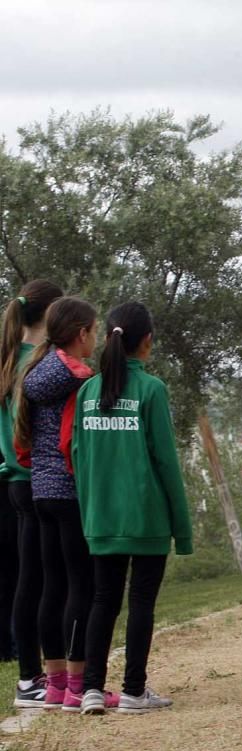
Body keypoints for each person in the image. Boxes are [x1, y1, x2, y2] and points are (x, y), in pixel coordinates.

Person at [72, 303, 192, 714]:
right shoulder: (152, 389)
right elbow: (166, 462)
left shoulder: (88, 391)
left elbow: (79, 457)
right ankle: (133, 691)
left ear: (109, 338)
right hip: (147, 518)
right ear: (147, 341)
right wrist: (183, 528)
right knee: (141, 602)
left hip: (102, 518)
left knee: (102, 600)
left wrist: (89, 514)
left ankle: (90, 689)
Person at [15, 296, 112, 713]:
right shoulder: (78, 375)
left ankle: (54, 683)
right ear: (81, 333)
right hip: (70, 491)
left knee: (51, 586)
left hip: (40, 490)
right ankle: (77, 684)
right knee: (81, 587)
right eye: (95, 329)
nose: (99, 337)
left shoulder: (36, 368)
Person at [1, 281, 63, 707]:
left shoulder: (7, 359)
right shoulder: (41, 363)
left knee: (29, 582)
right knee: (42, 583)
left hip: (13, 481)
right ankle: (35, 677)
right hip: (37, 479)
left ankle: (33, 675)